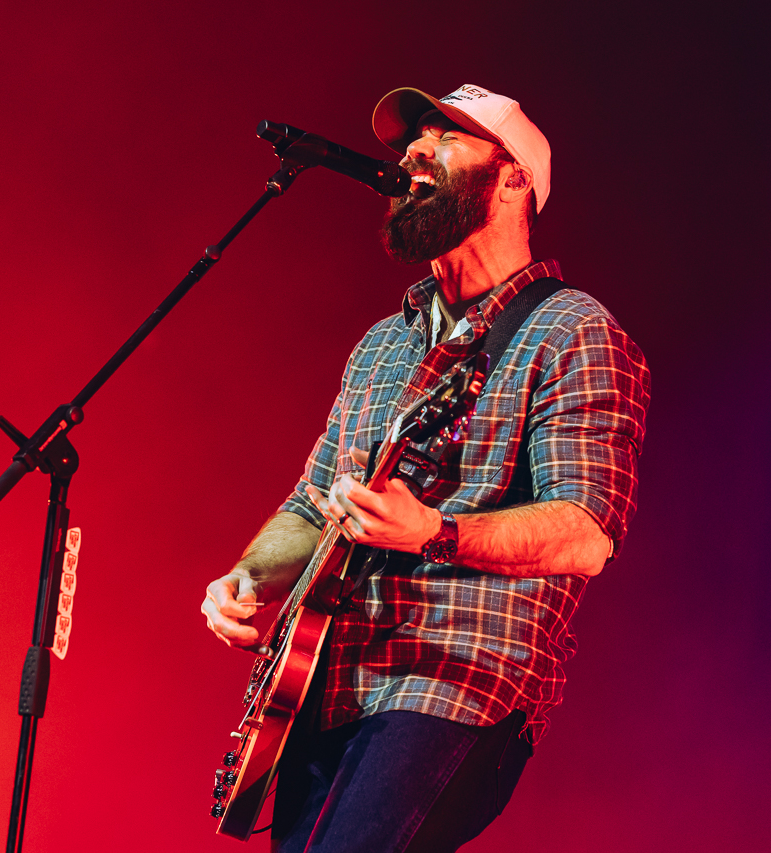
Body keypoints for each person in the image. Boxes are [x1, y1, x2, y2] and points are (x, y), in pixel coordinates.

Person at [200, 84, 651, 852]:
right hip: (325, 684)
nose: (412, 152)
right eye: (410, 142)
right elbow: (315, 504)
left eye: (444, 137)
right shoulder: (382, 343)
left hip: (454, 678)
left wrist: (436, 530)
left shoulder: (573, 330)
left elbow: (585, 532)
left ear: (512, 176)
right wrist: (247, 579)